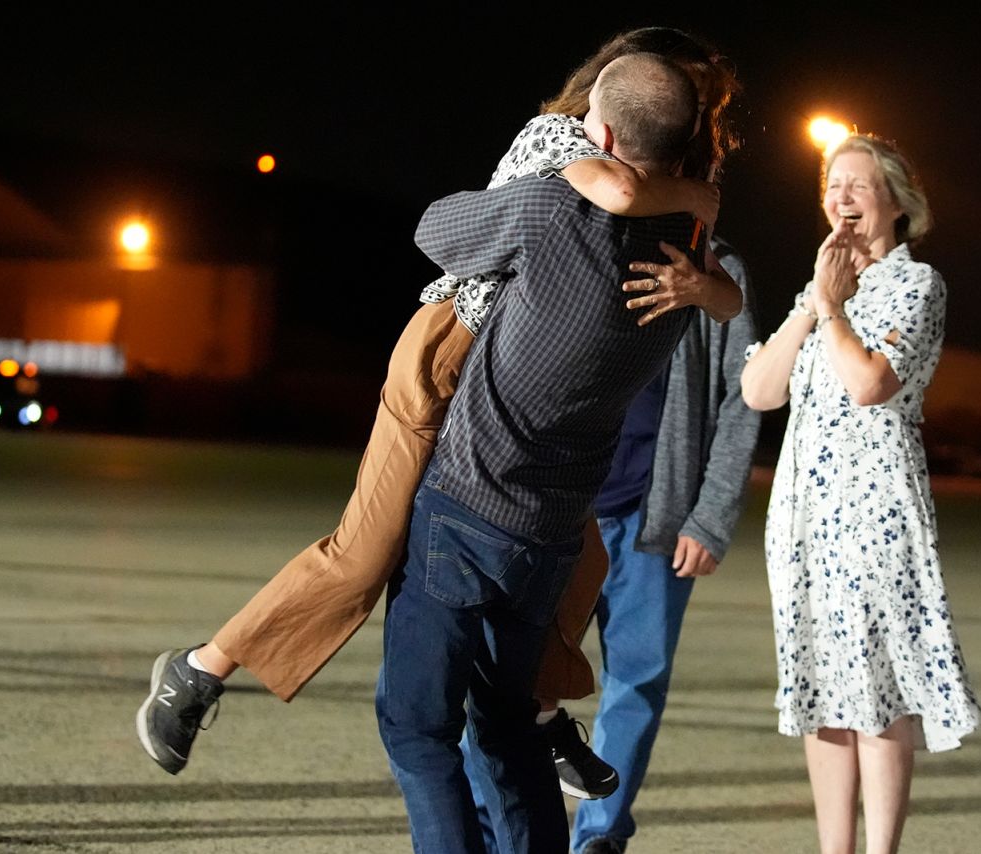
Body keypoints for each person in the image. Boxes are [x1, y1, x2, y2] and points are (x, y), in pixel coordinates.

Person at [135, 26, 742, 784]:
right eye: (690, 93)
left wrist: (697, 263)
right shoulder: (564, 139)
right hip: (451, 354)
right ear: (619, 86)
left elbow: (721, 286)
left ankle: (544, 715)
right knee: (367, 553)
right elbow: (615, 190)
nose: (696, 113)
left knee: (575, 552)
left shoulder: (669, 185)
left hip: (525, 388)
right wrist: (698, 193)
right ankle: (199, 669)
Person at [378, 52, 704, 853]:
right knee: (511, 727)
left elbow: (433, 231)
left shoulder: (550, 208)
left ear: (597, 130)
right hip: (555, 530)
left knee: (417, 728)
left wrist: (556, 167)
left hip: (467, 504)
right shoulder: (691, 257)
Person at [740, 133, 981, 854]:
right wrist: (815, 305)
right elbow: (759, 391)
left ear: (895, 204)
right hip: (803, 515)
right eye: (832, 185)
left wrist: (836, 313)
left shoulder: (919, 285)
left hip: (876, 509)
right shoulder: (817, 292)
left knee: (876, 690)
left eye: (858, 186)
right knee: (820, 688)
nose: (840, 199)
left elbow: (872, 384)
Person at [565, 232, 760, 854]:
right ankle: (503, 828)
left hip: (656, 518)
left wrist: (710, 516)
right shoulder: (580, 235)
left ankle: (599, 836)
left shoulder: (719, 266)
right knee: (511, 680)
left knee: (635, 682)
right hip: (559, 511)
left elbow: (743, 397)